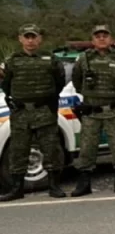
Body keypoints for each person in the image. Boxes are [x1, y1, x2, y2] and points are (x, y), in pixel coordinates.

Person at [70, 25, 115, 196]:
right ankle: (84, 183)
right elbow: (77, 81)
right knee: (87, 148)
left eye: (105, 35)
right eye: (98, 36)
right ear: (93, 40)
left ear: (111, 39)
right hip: (92, 112)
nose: (101, 38)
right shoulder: (83, 59)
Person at [0, 24, 67, 201]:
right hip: (21, 113)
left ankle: (54, 186)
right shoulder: (12, 61)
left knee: (51, 148)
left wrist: (48, 100)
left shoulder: (50, 59)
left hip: (44, 110)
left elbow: (59, 81)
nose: (30, 41)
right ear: (20, 39)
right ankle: (17, 189)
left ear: (39, 39)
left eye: (33, 37)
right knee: (18, 150)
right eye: (27, 37)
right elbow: (6, 85)